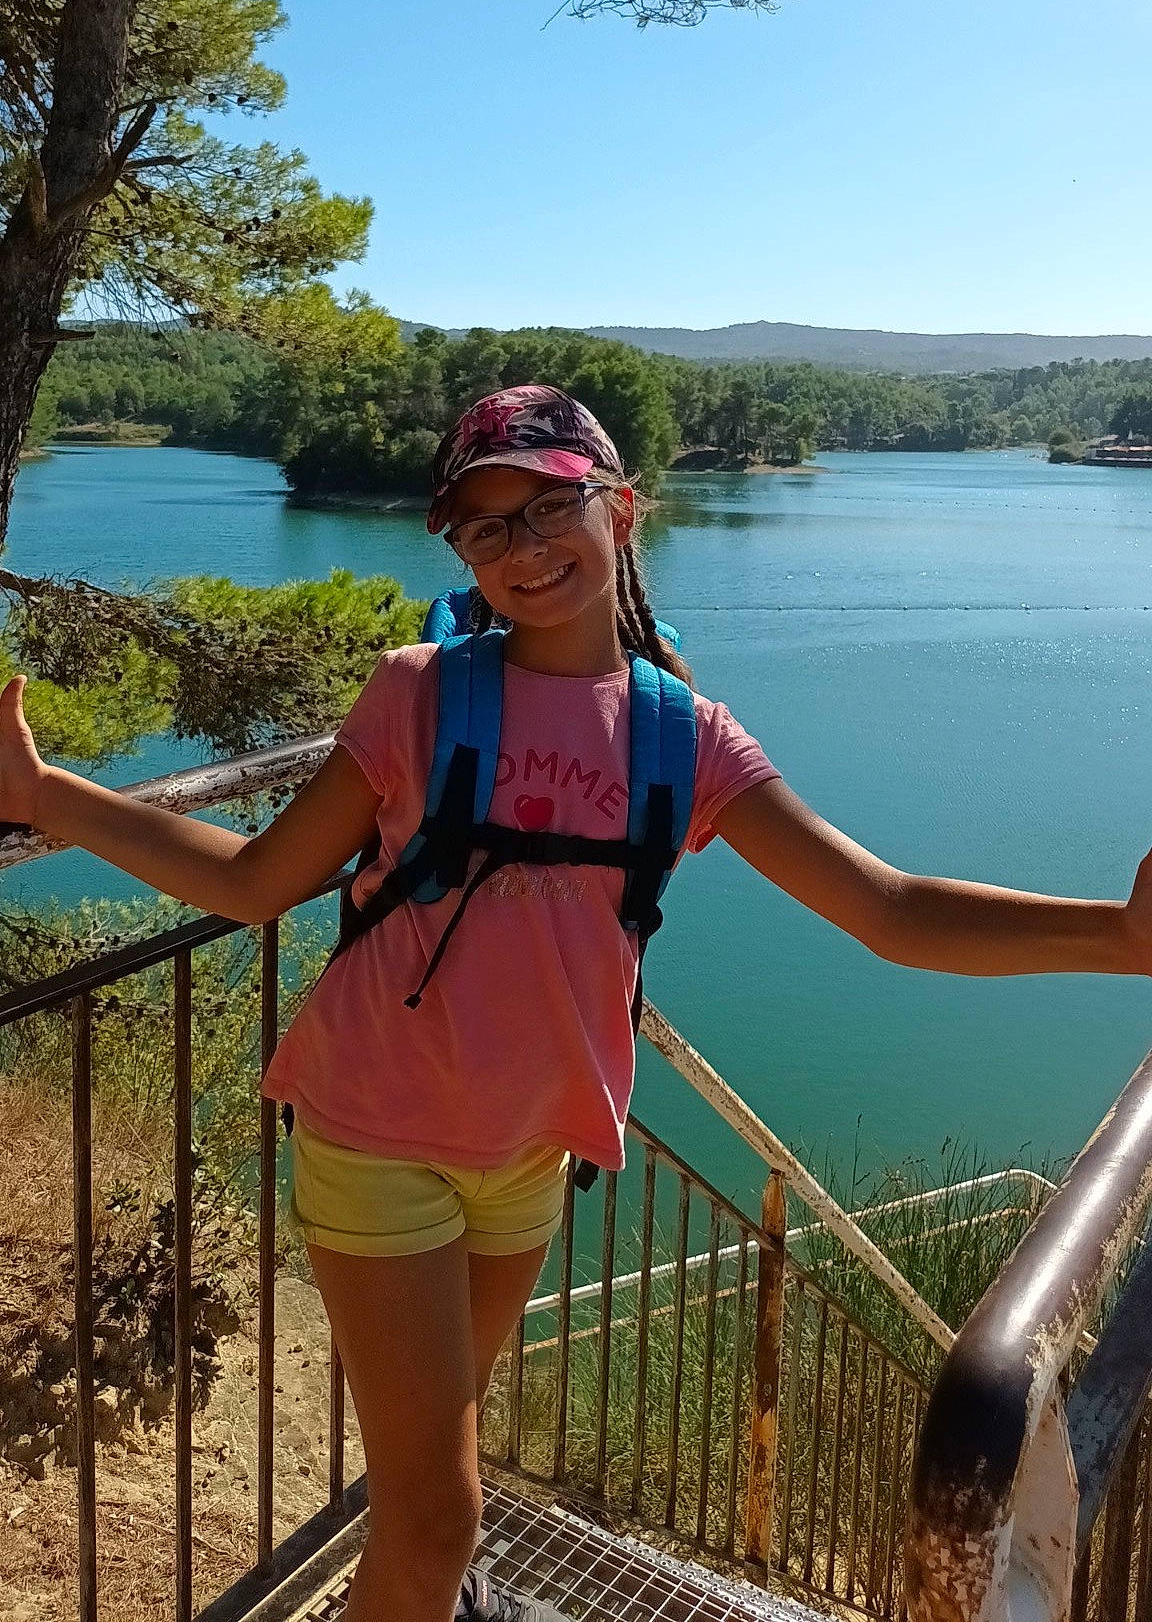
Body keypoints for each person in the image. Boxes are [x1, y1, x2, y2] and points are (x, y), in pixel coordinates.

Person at [1, 382, 1149, 1622]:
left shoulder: (685, 738)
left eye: (551, 506)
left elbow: (889, 908)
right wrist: (48, 791)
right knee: (440, 1515)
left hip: (531, 1156)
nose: (523, 548)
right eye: (484, 526)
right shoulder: (416, 693)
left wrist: (1124, 939)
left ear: (622, 507)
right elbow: (255, 880)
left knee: (432, 1482)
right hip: (374, 1130)